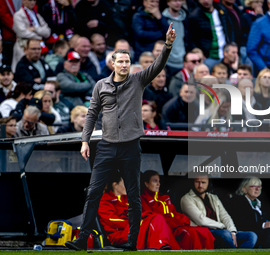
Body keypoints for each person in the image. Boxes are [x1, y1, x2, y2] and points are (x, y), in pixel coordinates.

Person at [64, 23, 176, 251]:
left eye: (127, 61)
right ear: (112, 64)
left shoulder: (138, 80)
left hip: (130, 147)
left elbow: (158, 66)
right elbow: (92, 113)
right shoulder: (100, 85)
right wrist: (85, 141)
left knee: (134, 196)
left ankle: (132, 243)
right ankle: (81, 240)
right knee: (93, 192)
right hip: (106, 146)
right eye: (121, 61)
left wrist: (168, 45)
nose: (124, 65)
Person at [99, 174, 181, 250]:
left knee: (157, 218)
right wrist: (135, 224)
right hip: (118, 234)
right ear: (115, 185)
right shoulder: (104, 199)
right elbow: (112, 220)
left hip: (132, 229)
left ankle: (164, 246)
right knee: (155, 218)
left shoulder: (128, 199)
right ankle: (161, 246)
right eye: (125, 184)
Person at [141, 170, 215, 250]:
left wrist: (182, 219)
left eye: (159, 181)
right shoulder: (143, 199)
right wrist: (174, 222)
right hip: (166, 230)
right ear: (146, 183)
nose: (158, 184)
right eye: (155, 181)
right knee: (191, 234)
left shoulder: (165, 198)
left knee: (204, 231)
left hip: (176, 226)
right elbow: (151, 219)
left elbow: (174, 213)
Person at [180, 174, 257, 248]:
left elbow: (225, 216)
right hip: (204, 233)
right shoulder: (186, 199)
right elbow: (201, 220)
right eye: (197, 182)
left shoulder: (214, 197)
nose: (200, 185)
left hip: (221, 231)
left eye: (203, 182)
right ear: (193, 182)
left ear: (208, 184)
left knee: (251, 236)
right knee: (225, 234)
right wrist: (222, 226)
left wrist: (232, 232)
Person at [228, 177, 270, 248]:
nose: (257, 189)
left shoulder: (261, 202)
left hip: (263, 231)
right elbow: (240, 223)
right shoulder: (237, 201)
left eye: (259, 186)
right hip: (248, 232)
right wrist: (263, 225)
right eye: (254, 186)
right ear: (244, 188)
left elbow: (268, 218)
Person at [12, 0, 51, 71]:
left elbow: (47, 32)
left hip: (39, 46)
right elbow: (22, 32)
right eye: (30, 0)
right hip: (23, 47)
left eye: (34, 0)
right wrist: (40, 36)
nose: (32, 2)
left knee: (39, 69)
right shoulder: (18, 15)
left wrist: (35, 28)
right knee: (23, 69)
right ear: (23, 1)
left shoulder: (37, 15)